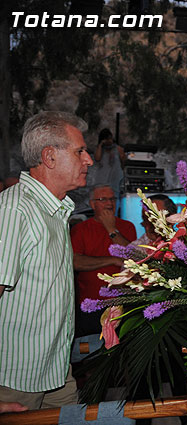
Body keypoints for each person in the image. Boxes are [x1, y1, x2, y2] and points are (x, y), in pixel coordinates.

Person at [0, 111, 93, 409]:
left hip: (54, 370)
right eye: (79, 151)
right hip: (14, 380)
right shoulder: (17, 210)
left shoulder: (54, 210)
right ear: (49, 157)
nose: (89, 160)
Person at [71, 185, 136, 336]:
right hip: (92, 305)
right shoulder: (81, 229)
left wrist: (111, 229)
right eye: (103, 199)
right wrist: (111, 260)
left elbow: (134, 258)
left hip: (123, 304)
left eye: (112, 199)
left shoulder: (127, 226)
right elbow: (75, 262)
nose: (109, 203)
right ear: (92, 204)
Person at [93, 128, 125, 203]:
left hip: (116, 179)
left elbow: (123, 161)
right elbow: (97, 158)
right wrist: (101, 145)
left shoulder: (117, 148)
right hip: (102, 180)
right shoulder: (99, 149)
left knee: (115, 199)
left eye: (110, 138)